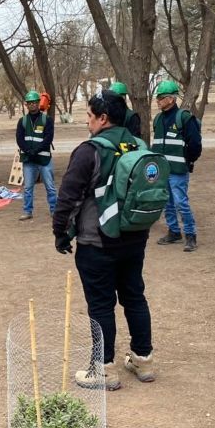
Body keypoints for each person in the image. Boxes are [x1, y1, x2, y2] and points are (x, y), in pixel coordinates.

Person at [52, 92, 155, 390]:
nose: (86, 120)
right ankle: (144, 359)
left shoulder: (89, 151)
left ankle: (103, 368)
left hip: (97, 242)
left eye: (88, 115)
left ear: (103, 118)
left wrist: (60, 233)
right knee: (135, 296)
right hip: (135, 238)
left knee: (100, 306)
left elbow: (67, 199)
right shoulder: (139, 146)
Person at [152, 80, 202, 251]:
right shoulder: (158, 119)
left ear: (171, 99)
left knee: (181, 202)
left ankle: (190, 235)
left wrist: (187, 161)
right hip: (163, 171)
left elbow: (195, 144)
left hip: (178, 171)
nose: (157, 100)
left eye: (161, 97)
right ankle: (174, 231)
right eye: (157, 97)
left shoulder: (184, 118)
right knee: (167, 202)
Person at [16, 90, 57, 221]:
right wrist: (28, 151)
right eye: (30, 103)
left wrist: (37, 150)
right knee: (28, 188)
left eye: (35, 102)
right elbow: (19, 139)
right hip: (29, 160)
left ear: (39, 103)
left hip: (44, 159)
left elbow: (48, 138)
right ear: (26, 105)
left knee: (50, 187)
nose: (32, 105)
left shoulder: (47, 120)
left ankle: (54, 210)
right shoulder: (22, 121)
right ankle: (27, 211)